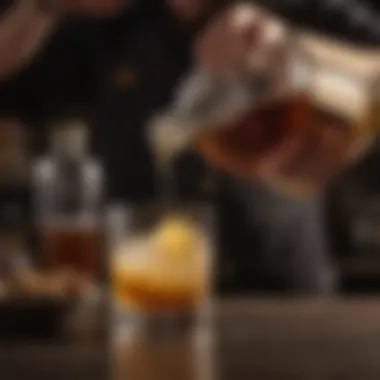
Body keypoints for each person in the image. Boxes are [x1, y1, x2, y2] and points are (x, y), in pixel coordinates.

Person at [0, 0, 378, 294]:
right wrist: (44, 5)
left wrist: (306, 57)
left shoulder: (299, 10)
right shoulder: (108, 23)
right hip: (144, 307)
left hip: (285, 306)